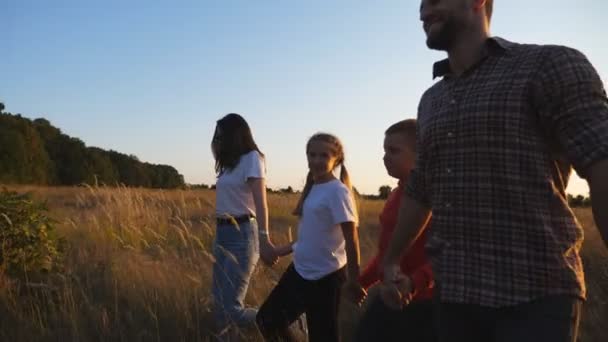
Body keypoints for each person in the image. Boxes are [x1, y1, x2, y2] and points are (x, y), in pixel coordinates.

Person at [382, 1, 608, 342]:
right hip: (454, 297)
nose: (423, 11)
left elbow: (601, 160)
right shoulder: (431, 100)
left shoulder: (550, 65)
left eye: (434, 1)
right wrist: (392, 260)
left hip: (535, 297)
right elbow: (421, 188)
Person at [256, 133, 366, 342]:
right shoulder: (314, 187)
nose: (316, 161)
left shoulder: (338, 192)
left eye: (323, 156)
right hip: (300, 272)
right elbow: (309, 237)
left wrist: (354, 280)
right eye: (311, 155)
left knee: (324, 337)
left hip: (326, 277)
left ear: (337, 159)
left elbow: (351, 239)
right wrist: (281, 250)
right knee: (267, 320)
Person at [355, 119, 436, 342]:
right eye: (384, 150)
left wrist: (414, 282)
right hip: (390, 294)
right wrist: (363, 281)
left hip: (427, 304)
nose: (385, 157)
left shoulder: (435, 198)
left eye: (394, 151)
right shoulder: (394, 195)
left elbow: (450, 253)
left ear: (420, 154)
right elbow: (387, 252)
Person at [211, 113, 279, 331]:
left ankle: (285, 320)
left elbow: (261, 203)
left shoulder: (252, 158)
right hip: (222, 234)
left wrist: (265, 238)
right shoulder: (228, 164)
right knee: (218, 304)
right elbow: (214, 148)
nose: (218, 141)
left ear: (234, 136)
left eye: (221, 136)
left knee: (231, 308)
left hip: (243, 235)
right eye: (217, 137)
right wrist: (217, 139)